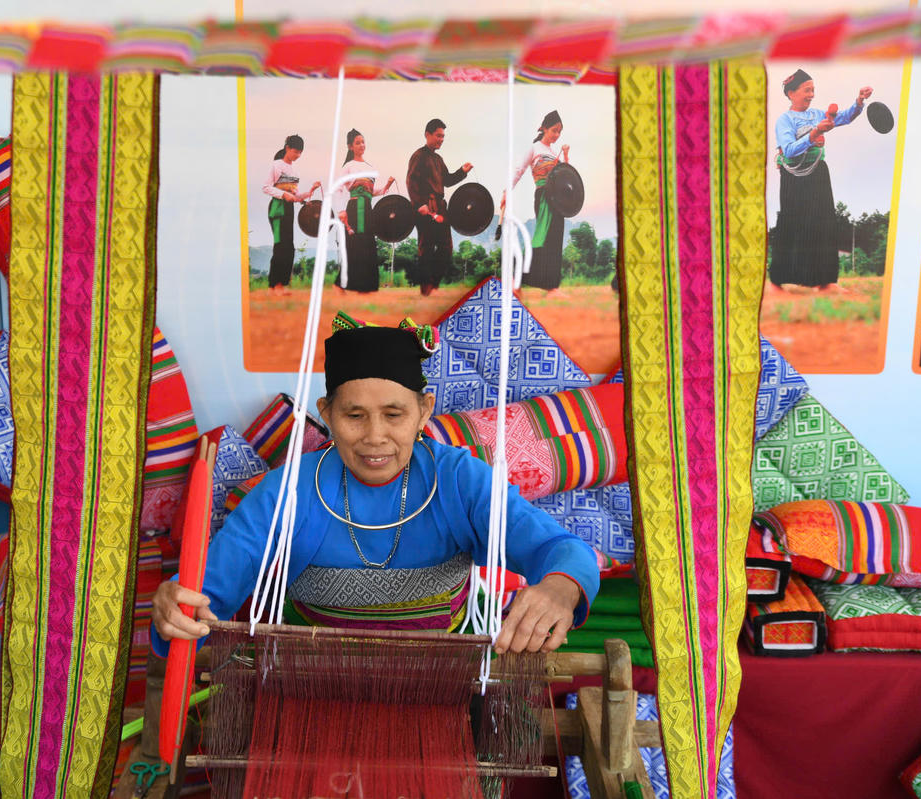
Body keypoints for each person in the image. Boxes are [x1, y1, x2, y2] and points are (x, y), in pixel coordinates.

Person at [151, 325, 599, 655]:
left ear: (424, 412)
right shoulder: (291, 491)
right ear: (326, 413)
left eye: (393, 414)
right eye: (354, 415)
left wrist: (561, 587)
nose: (375, 437)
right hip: (312, 685)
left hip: (445, 684)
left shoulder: (460, 481)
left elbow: (561, 549)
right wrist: (173, 609)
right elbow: (206, 590)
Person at [770, 69, 872, 294]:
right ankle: (778, 281)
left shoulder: (816, 113)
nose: (812, 95)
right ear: (791, 93)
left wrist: (859, 101)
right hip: (793, 177)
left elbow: (844, 117)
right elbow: (788, 150)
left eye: (813, 90)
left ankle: (826, 281)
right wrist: (815, 133)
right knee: (792, 223)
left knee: (825, 221)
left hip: (817, 172)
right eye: (807, 90)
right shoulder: (785, 120)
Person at [505, 110, 570, 295]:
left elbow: (566, 175)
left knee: (556, 238)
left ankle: (552, 286)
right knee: (543, 237)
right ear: (544, 129)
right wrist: (506, 192)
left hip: (557, 199)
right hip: (543, 197)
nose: (557, 135)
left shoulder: (552, 151)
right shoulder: (534, 148)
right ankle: (516, 275)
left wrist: (565, 156)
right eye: (554, 131)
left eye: (559, 132)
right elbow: (519, 170)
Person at [406, 119, 472, 297]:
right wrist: (419, 204)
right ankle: (425, 289)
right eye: (438, 136)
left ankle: (434, 284)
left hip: (441, 206)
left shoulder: (438, 159)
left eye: (443, 136)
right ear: (427, 134)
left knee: (446, 247)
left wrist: (462, 172)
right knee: (426, 247)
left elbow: (447, 181)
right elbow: (411, 181)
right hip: (425, 206)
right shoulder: (418, 156)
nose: (441, 139)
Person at [333, 128, 395, 294]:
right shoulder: (348, 166)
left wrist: (387, 186)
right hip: (354, 209)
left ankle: (364, 287)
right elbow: (338, 189)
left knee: (367, 245)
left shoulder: (371, 167)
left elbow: (371, 192)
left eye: (363, 142)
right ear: (350, 146)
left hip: (367, 209)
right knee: (355, 245)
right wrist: (340, 210)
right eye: (358, 142)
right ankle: (340, 284)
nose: (362, 145)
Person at [262, 134, 320, 296]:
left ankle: (281, 285)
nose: (298, 155)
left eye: (300, 152)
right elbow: (266, 187)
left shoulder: (294, 170)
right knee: (281, 246)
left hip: (289, 209)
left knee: (289, 247)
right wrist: (283, 195)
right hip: (277, 209)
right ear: (287, 148)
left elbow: (296, 195)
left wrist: (310, 192)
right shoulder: (276, 165)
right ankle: (274, 286)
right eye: (295, 151)